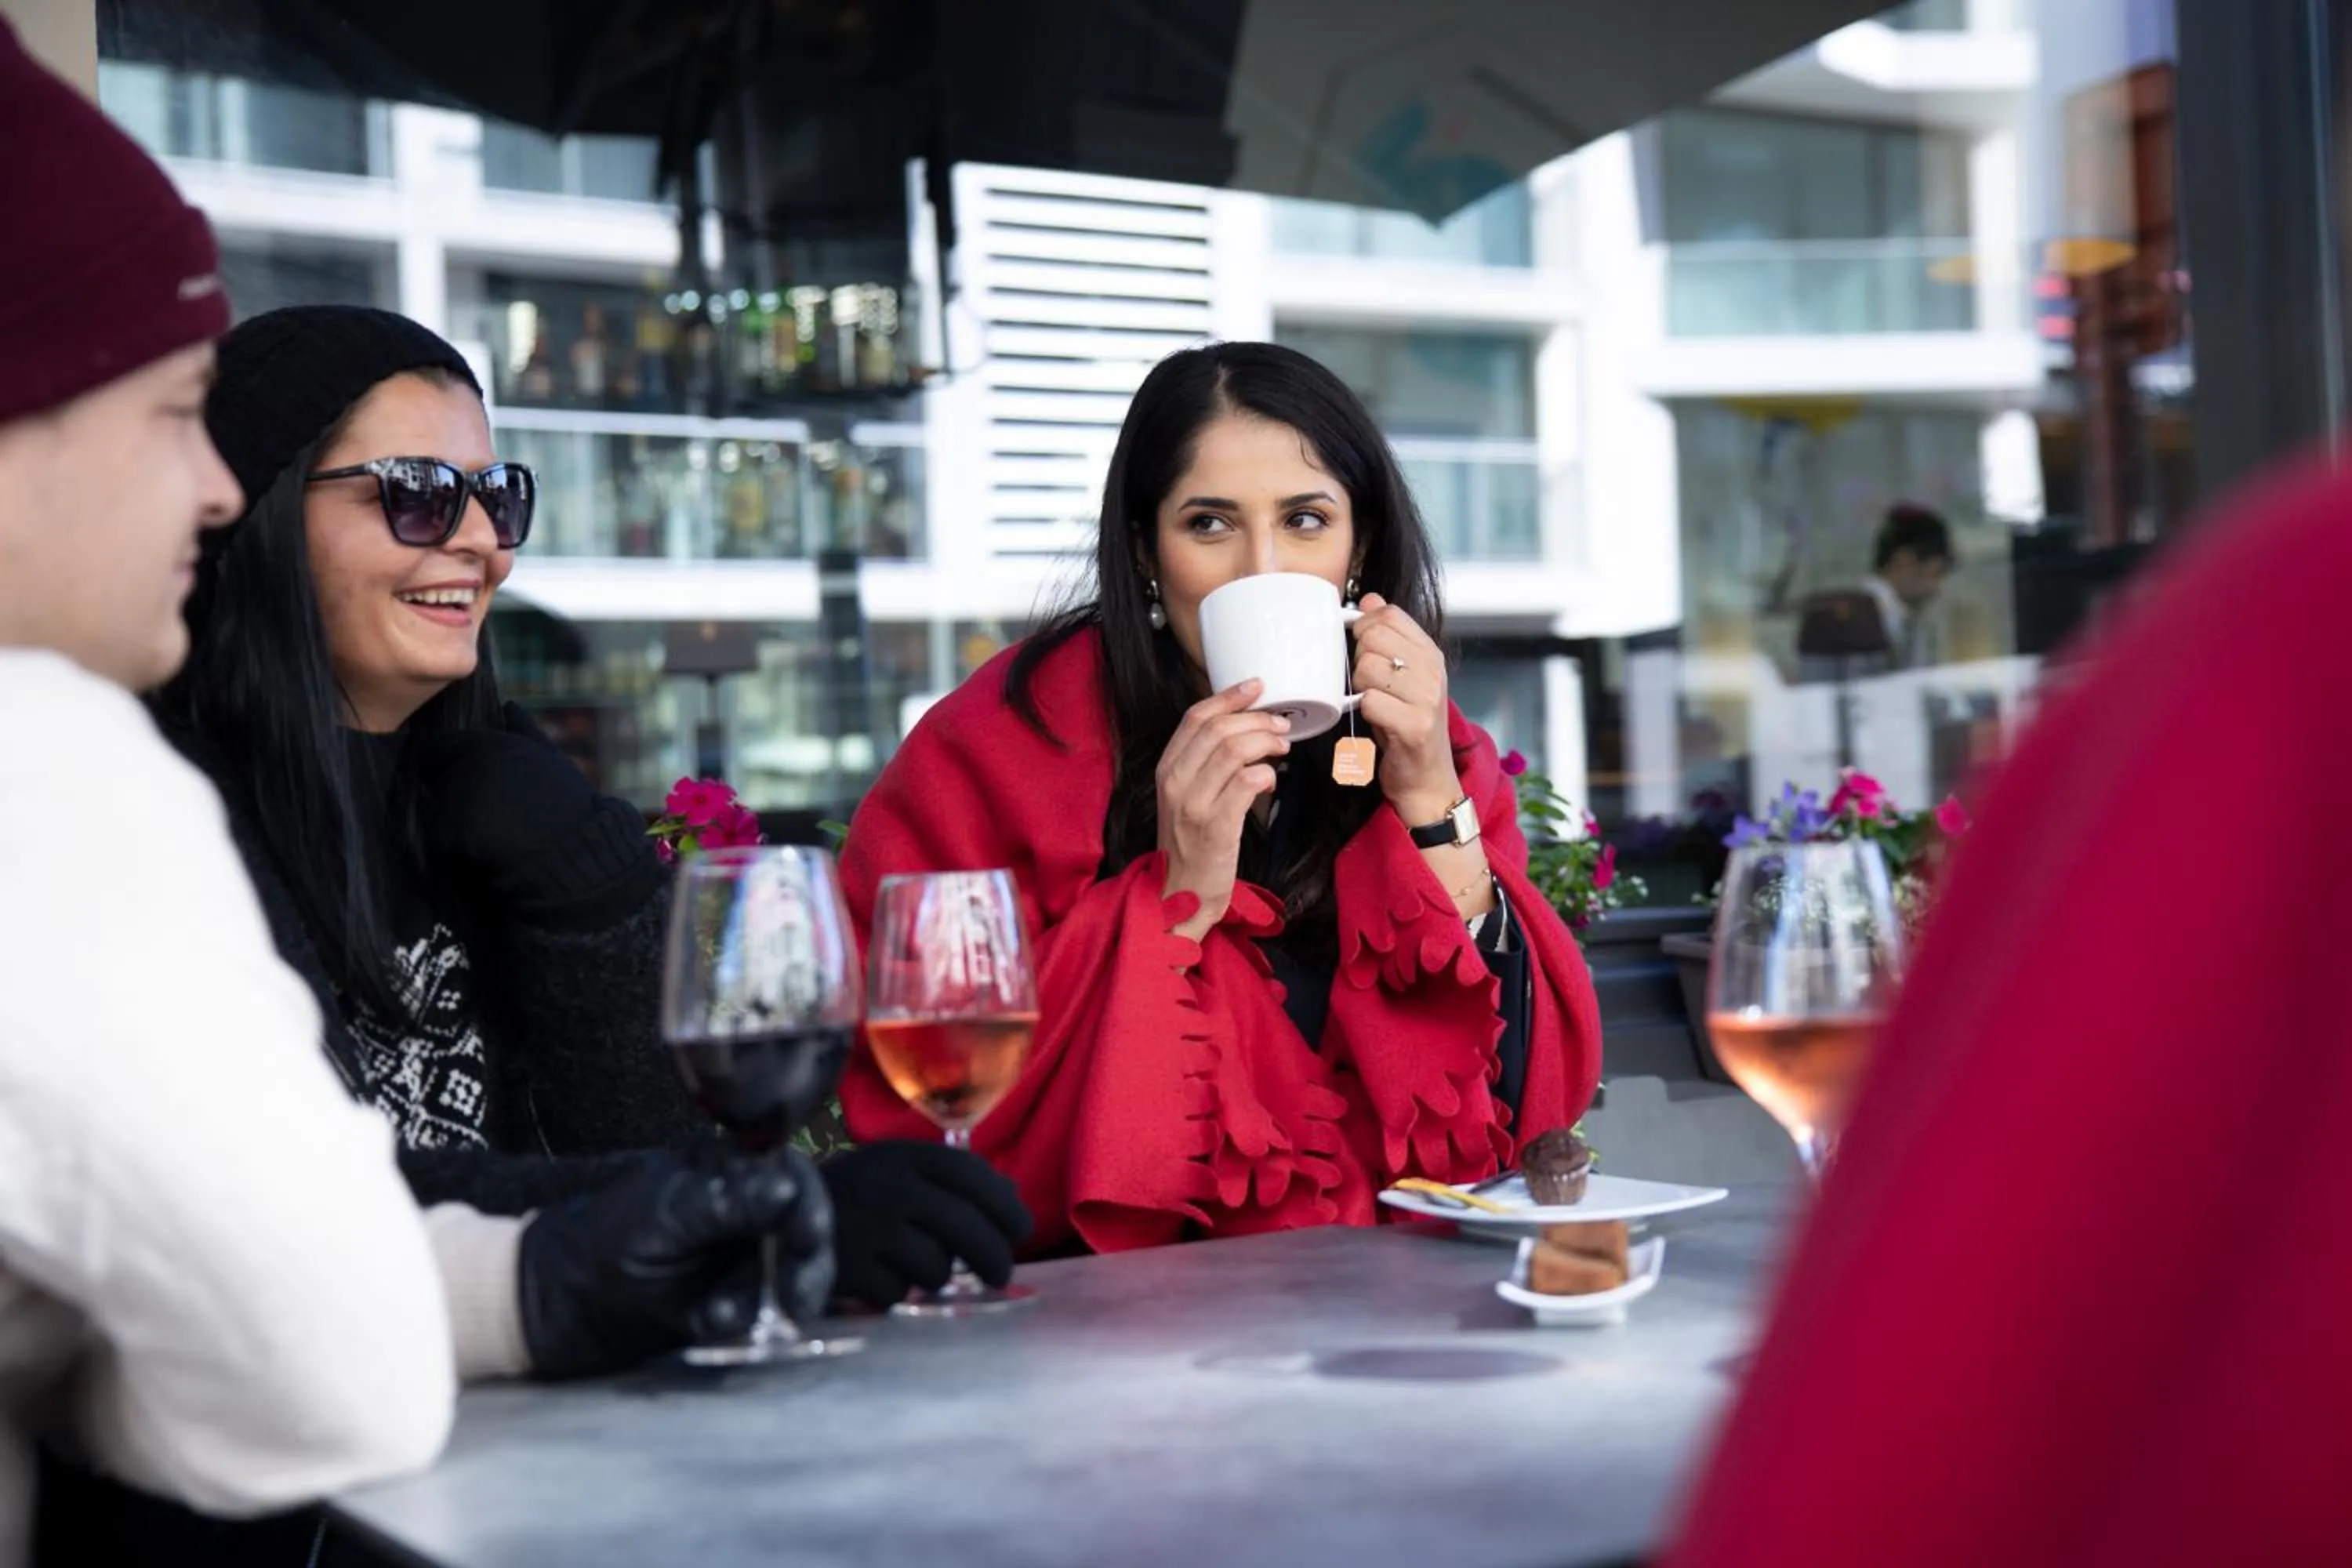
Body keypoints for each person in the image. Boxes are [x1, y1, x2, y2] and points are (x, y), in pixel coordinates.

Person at [156, 304, 1028, 1306]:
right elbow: (293, 1206)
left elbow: (644, 1144)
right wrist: (756, 1214)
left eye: (497, 496)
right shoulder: (151, 829)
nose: (484, 542)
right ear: (252, 514)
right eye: (418, 495)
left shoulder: (505, 805)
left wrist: (590, 895)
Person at [1664, 452, 2352, 1566]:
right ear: (1915, 564)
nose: (1934, 593)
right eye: (1934, 575)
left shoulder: (2274, 619)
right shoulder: (2289, 625)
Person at [837, 342, 1605, 1253]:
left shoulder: (1432, 744)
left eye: (1307, 519)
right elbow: (934, 1118)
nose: (1260, 567)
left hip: (1404, 1302)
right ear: (1144, 550)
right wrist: (1181, 895)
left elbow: (1523, 1116)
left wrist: (1432, 800)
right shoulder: (998, 743)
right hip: (1100, 1319)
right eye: (1209, 523)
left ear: (1358, 550)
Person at [1797, 502, 1953, 673]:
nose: (1938, 589)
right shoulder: (1847, 621)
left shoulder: (1905, 622)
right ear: (1905, 562)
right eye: (1936, 574)